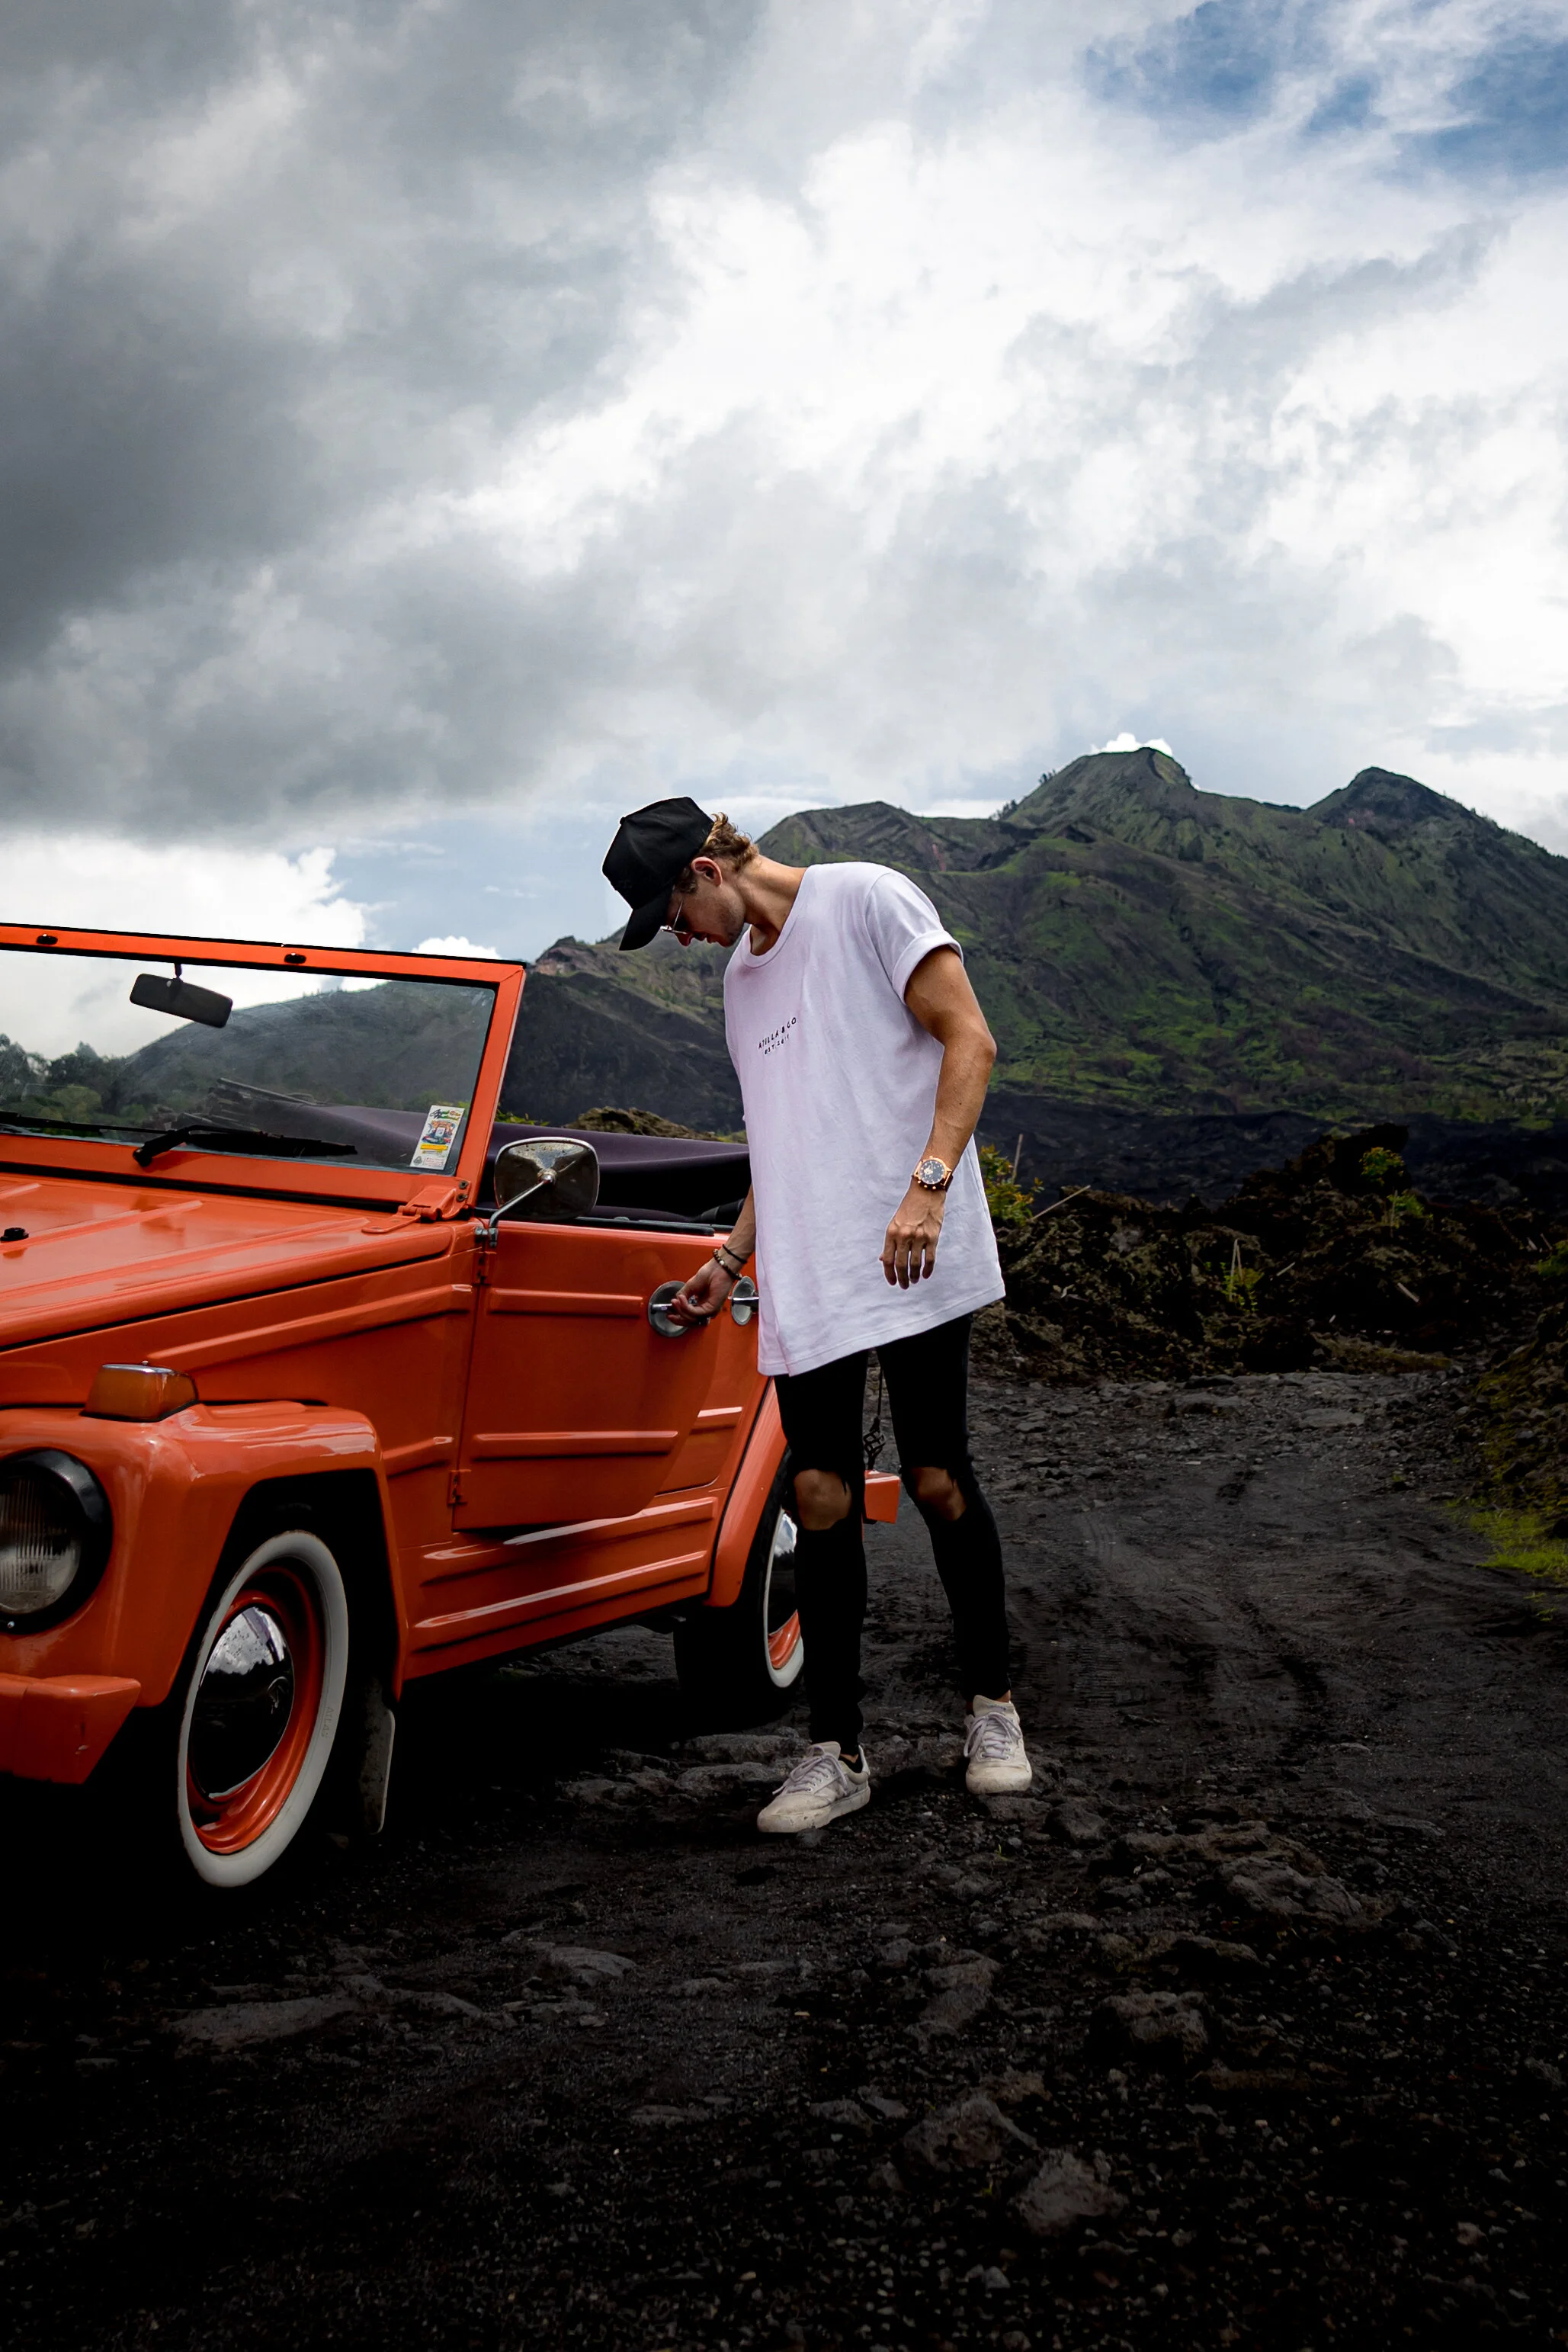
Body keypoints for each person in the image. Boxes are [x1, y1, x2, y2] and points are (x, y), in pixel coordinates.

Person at [601, 795, 1032, 1834]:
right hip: (810, 1262)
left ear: (706, 871)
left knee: (936, 1476)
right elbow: (780, 1136)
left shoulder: (869, 901)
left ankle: (993, 1710)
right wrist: (730, 1259)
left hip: (910, 1240)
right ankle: (836, 1752)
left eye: (671, 914)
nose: (678, 937)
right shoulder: (741, 983)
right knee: (820, 1492)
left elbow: (970, 1041)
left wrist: (927, 1188)